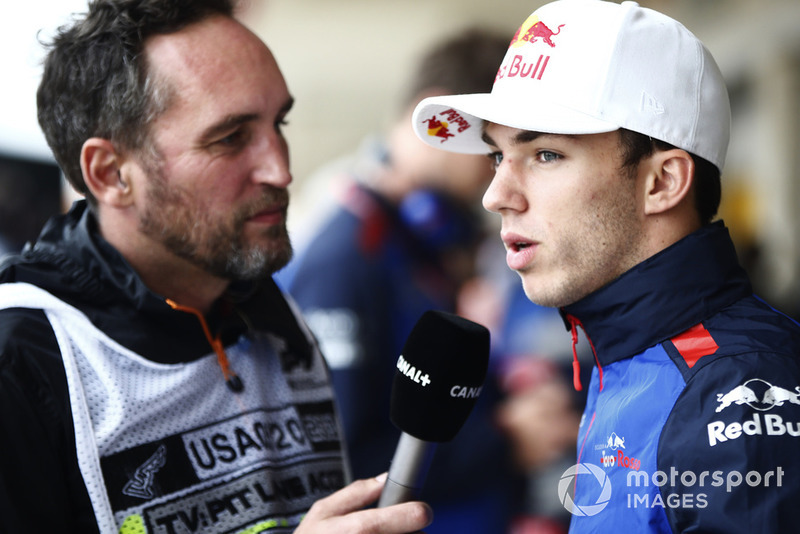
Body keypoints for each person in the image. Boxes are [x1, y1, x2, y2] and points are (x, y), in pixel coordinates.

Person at [0, 1, 432, 533]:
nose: (281, 168)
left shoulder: (265, 307)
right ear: (111, 173)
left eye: (280, 123)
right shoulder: (23, 360)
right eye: (230, 138)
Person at [410, 0, 800, 532]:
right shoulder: (624, 353)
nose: (496, 195)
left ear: (661, 183)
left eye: (545, 154)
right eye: (497, 157)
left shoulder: (735, 394)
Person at [280, 28, 525, 533]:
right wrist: (508, 442)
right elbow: (346, 458)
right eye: (491, 149)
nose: (499, 178)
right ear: (435, 119)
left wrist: (513, 400)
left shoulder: (424, 242)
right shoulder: (346, 255)